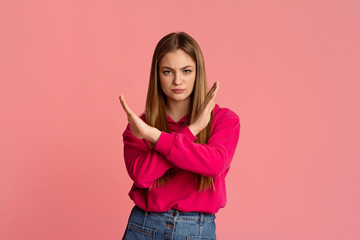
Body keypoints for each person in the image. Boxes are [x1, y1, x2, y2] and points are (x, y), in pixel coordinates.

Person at [119, 31, 240, 240]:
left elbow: (214, 165)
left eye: (186, 71)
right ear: (157, 75)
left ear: (198, 73)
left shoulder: (224, 119)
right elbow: (141, 176)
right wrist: (191, 130)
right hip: (145, 227)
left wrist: (155, 137)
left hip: (196, 230)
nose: (177, 80)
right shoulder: (140, 126)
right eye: (168, 71)